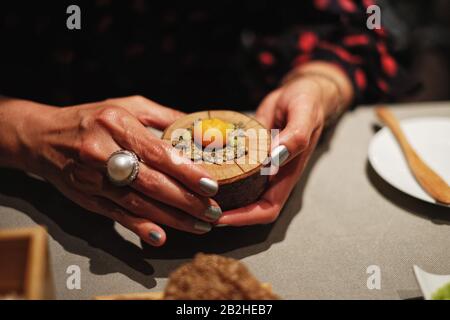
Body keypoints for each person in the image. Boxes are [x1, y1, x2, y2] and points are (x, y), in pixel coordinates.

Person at [0, 1, 408, 246]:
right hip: (33, 191)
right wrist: (28, 132)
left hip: (232, 118)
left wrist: (317, 84)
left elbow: (357, 25)